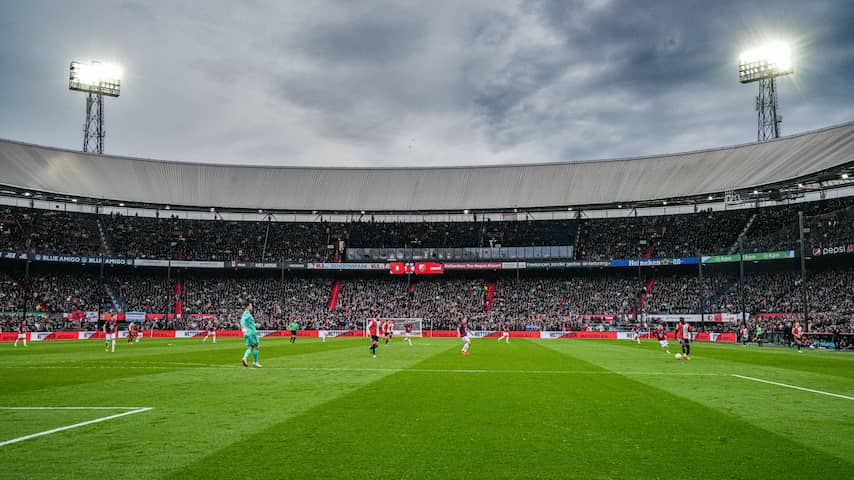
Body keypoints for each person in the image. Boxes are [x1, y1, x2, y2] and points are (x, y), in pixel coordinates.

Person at [240, 302, 261, 368]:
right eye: (251, 306)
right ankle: (255, 362)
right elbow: (242, 320)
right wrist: (243, 327)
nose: (252, 307)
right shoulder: (246, 313)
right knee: (256, 346)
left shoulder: (247, 314)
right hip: (251, 333)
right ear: (248, 306)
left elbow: (248, 323)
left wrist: (255, 325)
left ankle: (244, 358)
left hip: (248, 333)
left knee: (250, 347)